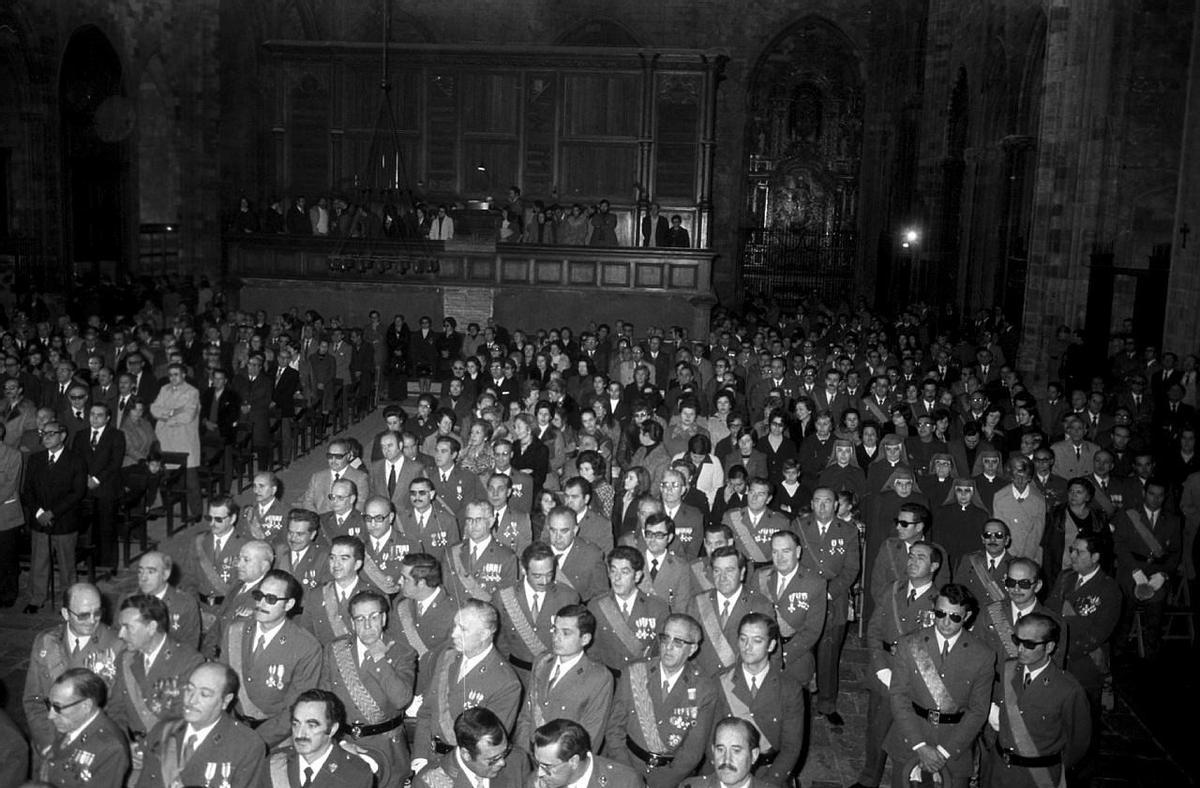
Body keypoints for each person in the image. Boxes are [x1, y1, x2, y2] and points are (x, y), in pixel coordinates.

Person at [885, 583, 994, 788]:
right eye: (940, 613)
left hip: (954, 747)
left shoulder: (983, 655)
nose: (945, 622)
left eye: (954, 617)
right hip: (911, 738)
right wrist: (920, 746)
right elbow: (899, 696)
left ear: (967, 616)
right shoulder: (910, 645)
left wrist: (943, 752)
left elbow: (978, 710)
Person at [852, 543, 941, 788]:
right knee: (876, 729)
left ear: (934, 566)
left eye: (920, 558)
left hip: (914, 682)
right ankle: (869, 779)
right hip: (884, 672)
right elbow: (874, 630)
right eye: (910, 556)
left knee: (910, 735)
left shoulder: (940, 603)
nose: (912, 561)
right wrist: (881, 668)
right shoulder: (893, 589)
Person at [605, 614, 719, 788]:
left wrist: (660, 784)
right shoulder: (634, 672)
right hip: (627, 769)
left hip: (670, 779)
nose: (668, 647)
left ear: (693, 649)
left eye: (678, 642)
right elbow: (614, 730)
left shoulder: (704, 689)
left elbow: (692, 753)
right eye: (665, 638)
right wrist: (630, 777)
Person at [319, 591, 416, 788]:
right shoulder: (336, 649)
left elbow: (401, 700)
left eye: (373, 617)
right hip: (343, 743)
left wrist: (379, 659)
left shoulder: (402, 653)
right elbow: (324, 702)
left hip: (386, 748)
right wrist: (338, 742)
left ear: (383, 618)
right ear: (353, 623)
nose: (367, 625)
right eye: (360, 619)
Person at [984, 613, 1091, 788]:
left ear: (1049, 647)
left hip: (1036, 778)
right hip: (998, 772)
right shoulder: (1008, 669)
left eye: (1029, 644)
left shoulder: (1068, 689)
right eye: (1017, 640)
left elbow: (1077, 744)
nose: (1020, 649)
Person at [412, 599, 523, 766]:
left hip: (465, 768)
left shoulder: (506, 683)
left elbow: (488, 747)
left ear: (485, 634)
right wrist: (419, 756)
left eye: (463, 629)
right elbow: (426, 712)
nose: (454, 634)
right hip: (429, 758)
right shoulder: (447, 658)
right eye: (455, 625)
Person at [222, 568, 323, 747]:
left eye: (271, 599)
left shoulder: (306, 647)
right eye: (259, 595)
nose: (261, 603)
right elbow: (221, 686)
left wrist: (256, 741)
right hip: (232, 728)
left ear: (289, 604)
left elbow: (297, 707)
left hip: (276, 738)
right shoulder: (235, 631)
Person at [135, 662, 268, 788]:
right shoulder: (164, 730)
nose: (192, 700)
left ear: (225, 701)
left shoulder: (246, 746)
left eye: (204, 694)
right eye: (189, 689)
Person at [1044, 533, 1121, 748]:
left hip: (1084, 661)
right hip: (1057, 656)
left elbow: (1100, 633)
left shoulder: (1108, 588)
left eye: (1080, 552)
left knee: (1083, 722)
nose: (1073, 555)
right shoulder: (1065, 577)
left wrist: (1067, 648)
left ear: (1095, 557)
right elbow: (1050, 610)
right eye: (1072, 550)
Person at [713, 614, 805, 787]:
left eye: (757, 640)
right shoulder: (720, 682)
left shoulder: (789, 689)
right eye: (743, 639)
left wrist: (767, 783)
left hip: (770, 771)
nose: (747, 647)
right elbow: (711, 741)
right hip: (728, 770)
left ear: (771, 645)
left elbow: (791, 748)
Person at [797, 486, 861, 724]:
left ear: (836, 505)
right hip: (802, 598)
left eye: (828, 501)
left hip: (835, 599)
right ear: (812, 504)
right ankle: (799, 701)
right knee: (801, 651)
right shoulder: (800, 526)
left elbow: (852, 569)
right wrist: (808, 592)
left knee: (828, 653)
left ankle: (827, 703)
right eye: (817, 501)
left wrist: (828, 593)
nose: (822, 506)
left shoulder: (848, 531)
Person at [514, 603, 614, 749]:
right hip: (530, 753)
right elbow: (526, 716)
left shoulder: (598, 677)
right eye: (555, 630)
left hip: (563, 762)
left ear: (585, 639)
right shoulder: (542, 661)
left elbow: (592, 736)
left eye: (566, 633)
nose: (556, 638)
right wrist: (525, 755)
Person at [108, 594, 204, 740]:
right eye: (121, 627)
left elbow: (188, 718)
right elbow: (117, 710)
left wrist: (150, 748)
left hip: (169, 749)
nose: (121, 634)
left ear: (151, 627)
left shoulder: (189, 661)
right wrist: (125, 744)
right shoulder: (125, 659)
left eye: (127, 627)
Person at [1111, 478, 1182, 658]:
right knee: (1126, 606)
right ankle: (1117, 654)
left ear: (1165, 497)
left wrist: (1163, 574)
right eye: (1151, 494)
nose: (1155, 499)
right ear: (1144, 493)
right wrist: (1135, 571)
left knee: (1156, 607)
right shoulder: (1128, 515)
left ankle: (1152, 654)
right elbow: (1119, 545)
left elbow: (1175, 553)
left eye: (1160, 495)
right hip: (1130, 569)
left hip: (1157, 571)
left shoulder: (1173, 521)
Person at [23, 419, 88, 613]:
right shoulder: (36, 459)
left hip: (64, 520)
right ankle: (37, 598)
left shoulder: (75, 460)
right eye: (43, 434)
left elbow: (77, 493)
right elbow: (28, 491)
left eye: (51, 433)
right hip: (40, 521)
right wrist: (39, 513)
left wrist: (53, 512)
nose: (46, 437)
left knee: (67, 565)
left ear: (63, 435)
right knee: (39, 561)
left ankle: (70, 602)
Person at [685, 546, 777, 677]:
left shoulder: (760, 605)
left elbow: (772, 656)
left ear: (742, 572)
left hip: (740, 686)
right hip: (702, 682)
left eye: (729, 570)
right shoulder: (697, 603)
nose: (723, 577)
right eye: (717, 571)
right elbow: (685, 648)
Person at [494, 542, 582, 673]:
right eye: (537, 576)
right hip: (516, 673)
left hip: (551, 673)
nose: (545, 581)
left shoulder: (568, 597)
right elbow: (499, 642)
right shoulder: (504, 598)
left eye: (549, 574)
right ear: (524, 569)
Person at [35, 667, 130, 788]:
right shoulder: (70, 724)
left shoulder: (110, 748)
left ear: (86, 706)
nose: (51, 715)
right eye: (49, 705)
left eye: (58, 707)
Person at [755, 530, 826, 684]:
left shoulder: (814, 583)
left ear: (798, 552)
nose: (780, 558)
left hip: (795, 657)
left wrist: (781, 655)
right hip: (760, 656)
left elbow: (812, 631)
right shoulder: (759, 577)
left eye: (786, 551)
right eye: (775, 552)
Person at [268, 689, 375, 787]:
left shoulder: (355, 774)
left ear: (332, 729)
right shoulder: (275, 764)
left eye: (311, 726)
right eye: (296, 724)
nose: (300, 734)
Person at [589, 546, 670, 674]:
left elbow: (662, 651)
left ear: (637, 576)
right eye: (613, 571)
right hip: (608, 678)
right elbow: (591, 652)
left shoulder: (657, 608)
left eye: (625, 572)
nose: (617, 578)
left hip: (644, 677)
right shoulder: (597, 606)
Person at [974, 558, 1067, 666]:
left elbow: (1054, 668)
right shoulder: (990, 613)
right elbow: (975, 655)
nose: (1016, 589)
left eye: (1024, 584)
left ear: (1037, 586)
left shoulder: (1053, 622)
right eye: (1011, 582)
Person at [412, 707, 529, 788]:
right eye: (493, 759)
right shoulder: (431, 782)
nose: (502, 763)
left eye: (505, 752)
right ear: (466, 755)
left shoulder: (518, 761)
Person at [394, 553, 457, 702]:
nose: (399, 582)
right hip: (402, 688)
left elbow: (451, 665)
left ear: (421, 583)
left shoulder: (454, 612)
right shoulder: (401, 604)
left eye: (405, 578)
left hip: (434, 694)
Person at [72, 402, 125, 568]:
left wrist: (96, 479)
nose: (94, 418)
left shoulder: (116, 435)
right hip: (85, 486)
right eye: (92, 414)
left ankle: (107, 564)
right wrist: (84, 478)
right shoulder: (81, 435)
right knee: (86, 526)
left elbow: (115, 462)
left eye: (99, 415)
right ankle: (87, 561)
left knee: (106, 527)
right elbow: (75, 460)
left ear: (107, 418)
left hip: (106, 486)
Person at [150, 363, 202, 521]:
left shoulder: (192, 392)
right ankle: (165, 509)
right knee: (166, 477)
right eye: (170, 375)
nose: (173, 378)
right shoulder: (164, 389)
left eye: (176, 374)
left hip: (184, 440)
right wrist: (173, 412)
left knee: (191, 481)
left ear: (184, 375)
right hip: (165, 440)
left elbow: (188, 416)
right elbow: (153, 409)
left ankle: (197, 512)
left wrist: (166, 417)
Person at [532, 717, 644, 788]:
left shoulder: (624, 782)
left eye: (547, 767)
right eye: (538, 763)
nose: (539, 773)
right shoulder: (534, 783)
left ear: (574, 761)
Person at [443, 500, 520, 602]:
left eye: (479, 520)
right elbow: (447, 593)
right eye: (470, 520)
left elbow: (508, 601)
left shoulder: (506, 557)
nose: (473, 525)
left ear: (491, 522)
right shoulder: (451, 553)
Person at [721, 477, 791, 565]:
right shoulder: (730, 518)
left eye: (760, 494)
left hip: (766, 572)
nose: (754, 497)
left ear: (768, 499)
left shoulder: (780, 522)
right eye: (752, 492)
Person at [544, 505, 608, 601]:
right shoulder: (538, 551)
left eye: (564, 531)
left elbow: (602, 599)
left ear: (575, 530)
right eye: (553, 530)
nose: (558, 537)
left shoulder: (591, 556)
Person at [638, 510, 695, 612]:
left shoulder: (681, 567)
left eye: (659, 535)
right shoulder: (634, 563)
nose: (652, 540)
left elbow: (681, 607)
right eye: (649, 534)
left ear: (669, 538)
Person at [296, 439, 370, 514]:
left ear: (348, 456)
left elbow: (360, 505)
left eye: (338, 456)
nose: (333, 460)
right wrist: (317, 519)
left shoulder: (359, 478)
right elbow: (307, 502)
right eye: (330, 456)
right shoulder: (317, 477)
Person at [954, 520, 1014, 610]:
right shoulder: (969, 560)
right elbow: (957, 593)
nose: (992, 539)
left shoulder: (1015, 566)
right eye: (988, 535)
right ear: (982, 539)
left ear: (1006, 540)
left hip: (1001, 621)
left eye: (998, 535)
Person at [276, 508, 333, 592]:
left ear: (312, 535)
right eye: (290, 532)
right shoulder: (279, 552)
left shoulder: (324, 557)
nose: (293, 538)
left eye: (299, 534)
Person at [242, 472, 289, 542]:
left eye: (261, 486)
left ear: (273, 490)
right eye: (254, 486)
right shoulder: (247, 511)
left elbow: (286, 542)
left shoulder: (285, 512)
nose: (256, 491)